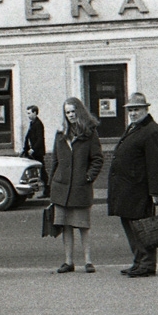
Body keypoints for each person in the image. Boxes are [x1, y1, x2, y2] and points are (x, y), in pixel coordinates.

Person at [106, 92, 158, 278]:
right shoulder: (134, 128)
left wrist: (156, 191)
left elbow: (157, 163)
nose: (133, 113)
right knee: (131, 226)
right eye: (130, 110)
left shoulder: (151, 130)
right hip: (128, 189)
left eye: (136, 109)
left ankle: (147, 264)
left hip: (139, 189)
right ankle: (138, 261)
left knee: (143, 227)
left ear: (146, 110)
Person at [49, 97, 104, 274]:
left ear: (79, 111)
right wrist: (51, 183)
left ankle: (88, 261)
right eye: (67, 112)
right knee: (65, 225)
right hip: (61, 188)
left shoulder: (89, 132)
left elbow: (97, 159)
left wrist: (88, 177)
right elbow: (55, 160)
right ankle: (68, 261)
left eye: (73, 111)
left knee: (83, 225)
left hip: (80, 187)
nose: (71, 115)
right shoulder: (60, 133)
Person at [22, 105, 50, 198]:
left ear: (35, 113)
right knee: (35, 172)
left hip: (37, 153)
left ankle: (47, 190)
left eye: (29, 113)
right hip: (33, 152)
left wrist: (33, 149)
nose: (28, 115)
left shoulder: (38, 124)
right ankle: (32, 191)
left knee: (40, 172)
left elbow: (40, 139)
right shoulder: (33, 123)